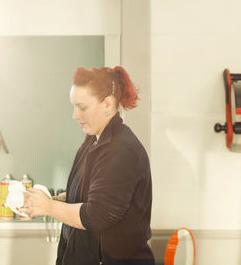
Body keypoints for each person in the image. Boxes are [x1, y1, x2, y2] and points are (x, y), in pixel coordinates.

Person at [19, 66, 155, 265]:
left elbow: (96, 215)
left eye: (82, 107)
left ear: (107, 104)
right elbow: (92, 192)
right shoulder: (94, 141)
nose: (75, 115)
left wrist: (48, 207)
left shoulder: (120, 150)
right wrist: (48, 200)